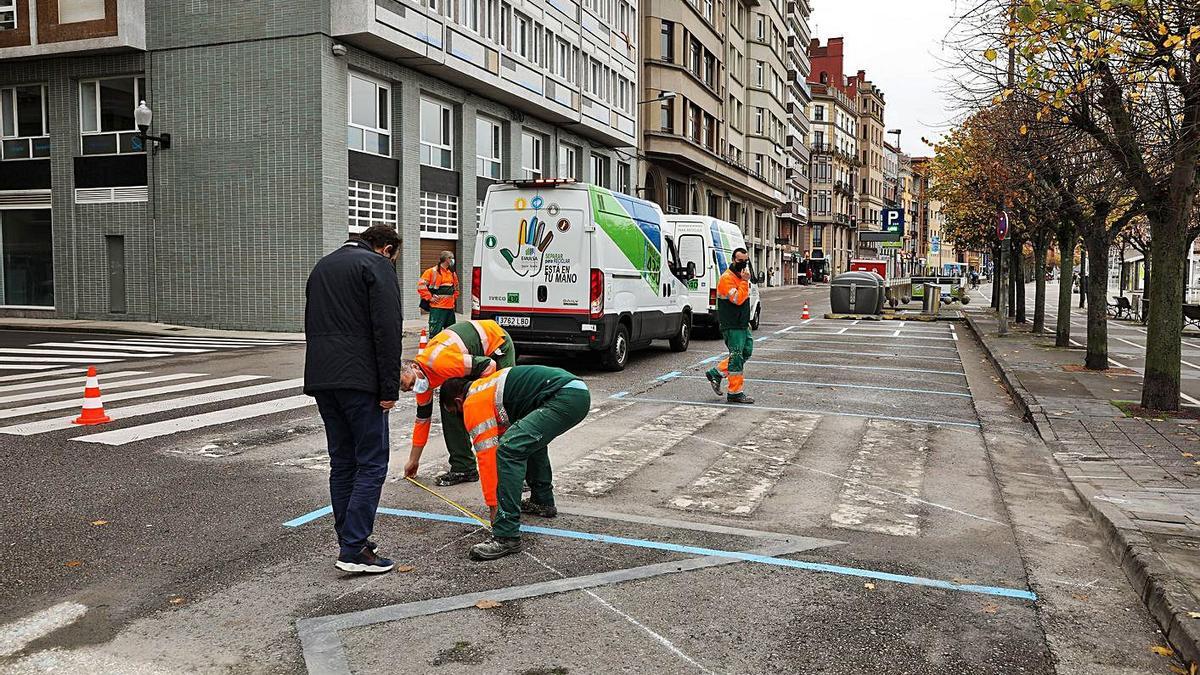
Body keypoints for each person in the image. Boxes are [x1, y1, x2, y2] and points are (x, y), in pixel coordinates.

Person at [304, 224, 403, 574]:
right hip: (361, 380)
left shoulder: (323, 266)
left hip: (322, 376)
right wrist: (389, 389)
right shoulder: (377, 266)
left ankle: (350, 540)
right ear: (387, 249)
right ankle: (354, 549)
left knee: (342, 462)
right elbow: (387, 330)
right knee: (372, 463)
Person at [431, 366, 591, 560]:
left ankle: (506, 535)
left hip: (564, 396)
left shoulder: (473, 401)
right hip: (574, 392)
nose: (459, 417)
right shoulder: (486, 388)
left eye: (455, 412)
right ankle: (542, 500)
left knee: (510, 449)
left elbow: (487, 459)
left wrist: (494, 509)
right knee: (526, 441)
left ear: (458, 401)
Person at [401, 319, 517, 486]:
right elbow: (422, 421)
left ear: (415, 367)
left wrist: (478, 398)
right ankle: (463, 468)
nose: (413, 388)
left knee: (502, 408)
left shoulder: (439, 362)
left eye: (411, 382)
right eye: (408, 389)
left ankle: (517, 473)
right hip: (471, 360)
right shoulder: (423, 383)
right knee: (450, 404)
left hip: (496, 346)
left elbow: (488, 365)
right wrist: (413, 461)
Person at [704, 247, 755, 404]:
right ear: (733, 260)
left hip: (741, 323)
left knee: (746, 352)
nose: (743, 264)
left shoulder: (740, 276)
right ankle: (735, 392)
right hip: (732, 324)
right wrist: (745, 281)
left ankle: (716, 373)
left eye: (745, 261)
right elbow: (738, 299)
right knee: (737, 356)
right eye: (740, 261)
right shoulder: (727, 278)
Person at [418, 251, 460, 338]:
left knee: (450, 334)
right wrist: (429, 298)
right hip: (437, 308)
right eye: (451, 258)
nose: (453, 260)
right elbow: (421, 286)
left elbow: (456, 287)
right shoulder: (432, 272)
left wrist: (454, 298)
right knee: (435, 334)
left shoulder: (452, 273)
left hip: (450, 308)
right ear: (446, 259)